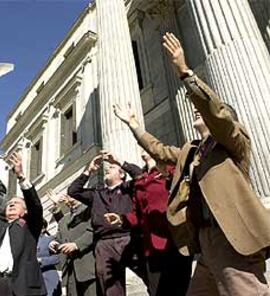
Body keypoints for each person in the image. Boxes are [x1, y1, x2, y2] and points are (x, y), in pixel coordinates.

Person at [113, 32, 270, 295]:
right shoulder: (191, 150)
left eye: (202, 110)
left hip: (232, 236)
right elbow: (159, 150)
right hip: (204, 240)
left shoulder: (233, 141)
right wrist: (133, 125)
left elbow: (216, 114)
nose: (195, 109)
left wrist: (185, 72)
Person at [105, 152, 192, 296]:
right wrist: (121, 219)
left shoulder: (169, 170)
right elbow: (136, 214)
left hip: (173, 241)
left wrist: (121, 162)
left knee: (180, 290)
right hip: (150, 248)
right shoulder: (141, 180)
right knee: (156, 291)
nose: (142, 149)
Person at [67, 150, 147, 296]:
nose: (107, 169)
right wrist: (88, 171)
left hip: (129, 238)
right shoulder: (97, 193)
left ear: (122, 174)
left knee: (149, 276)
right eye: (107, 168)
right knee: (110, 289)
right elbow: (73, 191)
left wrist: (119, 161)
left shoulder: (129, 188)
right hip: (104, 245)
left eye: (112, 167)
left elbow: (141, 176)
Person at [0, 152, 46, 296]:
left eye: (16, 203)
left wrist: (21, 176)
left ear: (24, 211)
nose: (11, 204)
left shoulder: (30, 225)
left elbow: (35, 206)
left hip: (22, 285)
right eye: (9, 203)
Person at [47, 192, 96, 296]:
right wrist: (54, 243)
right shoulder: (64, 220)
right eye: (68, 193)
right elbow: (60, 238)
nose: (69, 195)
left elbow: (93, 231)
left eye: (73, 192)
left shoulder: (90, 210)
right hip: (70, 273)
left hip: (89, 269)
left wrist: (76, 245)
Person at [37, 219, 61, 296]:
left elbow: (59, 257)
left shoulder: (50, 240)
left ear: (43, 228)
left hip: (48, 278)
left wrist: (41, 260)